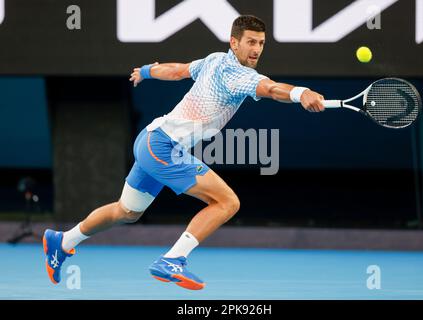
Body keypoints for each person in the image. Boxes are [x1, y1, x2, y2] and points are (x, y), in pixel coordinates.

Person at [42, 15, 325, 290]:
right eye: (251, 42)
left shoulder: (214, 59)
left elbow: (179, 70)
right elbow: (272, 89)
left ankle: (63, 241)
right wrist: (301, 93)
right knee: (227, 202)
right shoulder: (238, 75)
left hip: (150, 142)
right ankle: (172, 260)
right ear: (234, 42)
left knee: (126, 211)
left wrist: (146, 71)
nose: (256, 50)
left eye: (261, 43)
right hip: (163, 147)